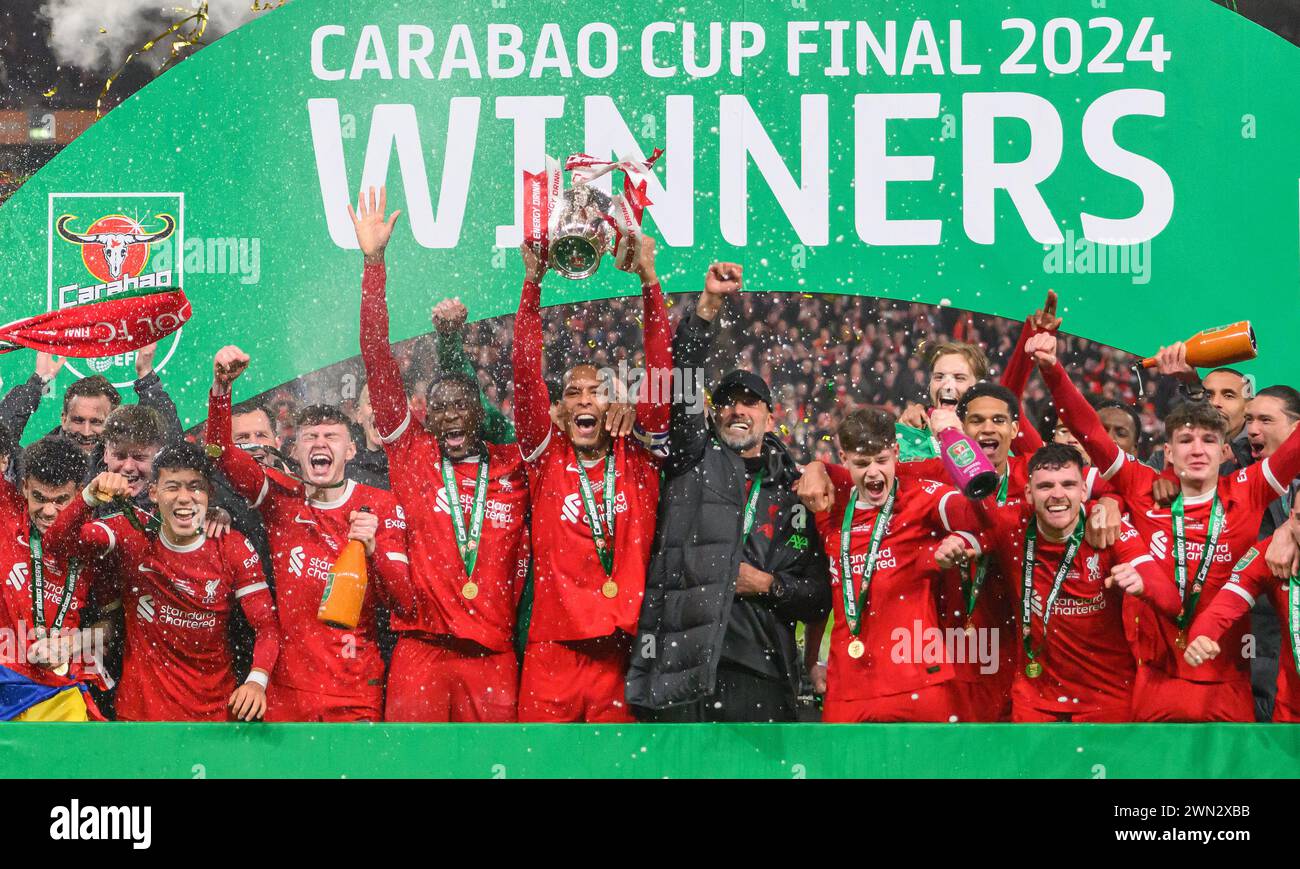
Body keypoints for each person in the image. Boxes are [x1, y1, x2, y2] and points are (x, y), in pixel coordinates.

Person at [1032, 331, 1300, 721]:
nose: (1197, 449)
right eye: (1185, 439)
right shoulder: (1142, 485)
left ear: (1224, 448)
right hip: (1155, 682)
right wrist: (1052, 369)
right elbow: (1089, 430)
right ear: (1167, 451)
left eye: (1209, 440)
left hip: (1226, 684)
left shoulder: (1250, 488)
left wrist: (1289, 527)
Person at [352, 185, 530, 722]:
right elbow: (377, 357)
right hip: (420, 650)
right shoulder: (412, 452)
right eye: (440, 409)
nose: (450, 418)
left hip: (493, 655)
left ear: (481, 414)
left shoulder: (514, 466)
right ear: (425, 414)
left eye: (462, 408)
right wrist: (374, 264)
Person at [627, 263, 831, 722]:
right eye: (727, 402)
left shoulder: (795, 489)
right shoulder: (693, 458)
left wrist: (767, 584)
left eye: (750, 402)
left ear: (768, 414)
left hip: (760, 670)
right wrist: (708, 306)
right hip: (682, 664)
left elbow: (819, 595)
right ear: (714, 413)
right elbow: (682, 376)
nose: (737, 409)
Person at [512, 231, 671, 724]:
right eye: (573, 392)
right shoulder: (545, 457)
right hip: (552, 650)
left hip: (621, 653)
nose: (585, 399)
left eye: (597, 391)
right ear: (559, 411)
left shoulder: (638, 456)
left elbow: (661, 372)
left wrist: (649, 280)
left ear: (612, 403)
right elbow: (523, 371)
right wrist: (531, 284)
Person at [207, 345, 411, 722]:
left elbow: (404, 603)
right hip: (287, 689)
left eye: (331, 437)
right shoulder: (280, 500)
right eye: (310, 437)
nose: (319, 443)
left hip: (355, 688)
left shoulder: (380, 505)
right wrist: (221, 391)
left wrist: (375, 550)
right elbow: (221, 454)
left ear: (350, 449)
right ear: (294, 449)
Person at [935, 443, 1179, 722]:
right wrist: (954, 546)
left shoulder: (1110, 529)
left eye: (1068, 484)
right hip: (1035, 699)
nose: (1057, 495)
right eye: (1045, 486)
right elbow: (972, 533)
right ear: (1028, 493)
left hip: (1107, 697)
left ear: (1084, 491)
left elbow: (1171, 601)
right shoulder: (1011, 524)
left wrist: (1143, 586)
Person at [42, 443, 279, 722]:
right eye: (172, 487)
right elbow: (56, 545)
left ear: (209, 494)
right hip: (141, 717)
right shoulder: (131, 531)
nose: (184, 498)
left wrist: (256, 680)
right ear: (153, 492)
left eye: (195, 487)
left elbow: (267, 626)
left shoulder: (232, 546)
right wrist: (88, 498)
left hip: (214, 715)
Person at [794, 409, 983, 722]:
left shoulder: (922, 497)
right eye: (861, 463)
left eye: (882, 460)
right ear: (844, 458)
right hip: (846, 686)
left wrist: (964, 542)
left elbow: (982, 514)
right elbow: (823, 590)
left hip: (918, 681)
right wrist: (816, 467)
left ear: (896, 452)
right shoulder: (828, 504)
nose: (873, 473)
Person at [0, 437, 107, 721]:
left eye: (61, 500)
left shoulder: (95, 543)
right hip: (4, 684)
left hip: (60, 694)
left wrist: (72, 645)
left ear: (80, 494)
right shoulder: (6, 516)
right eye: (39, 498)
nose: (48, 512)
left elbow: (113, 624)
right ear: (23, 488)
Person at [1184, 499, 1300, 721]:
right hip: (1293, 719)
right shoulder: (1272, 557)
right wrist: (1201, 635)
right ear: (1291, 518)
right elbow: (1224, 606)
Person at [0, 344, 181, 469]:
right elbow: (2, 442)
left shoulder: (125, 464)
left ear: (113, 422)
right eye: (78, 420)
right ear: (64, 419)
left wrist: (146, 378)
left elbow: (172, 451)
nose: (86, 432)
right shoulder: (39, 460)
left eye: (96, 422)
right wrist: (37, 383)